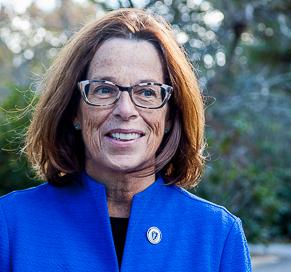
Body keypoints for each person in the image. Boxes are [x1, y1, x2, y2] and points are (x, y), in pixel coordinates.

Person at [0, 8, 252, 272]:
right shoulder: (10, 225)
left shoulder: (217, 236)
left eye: (146, 92)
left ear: (169, 115)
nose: (126, 110)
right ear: (74, 109)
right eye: (104, 90)